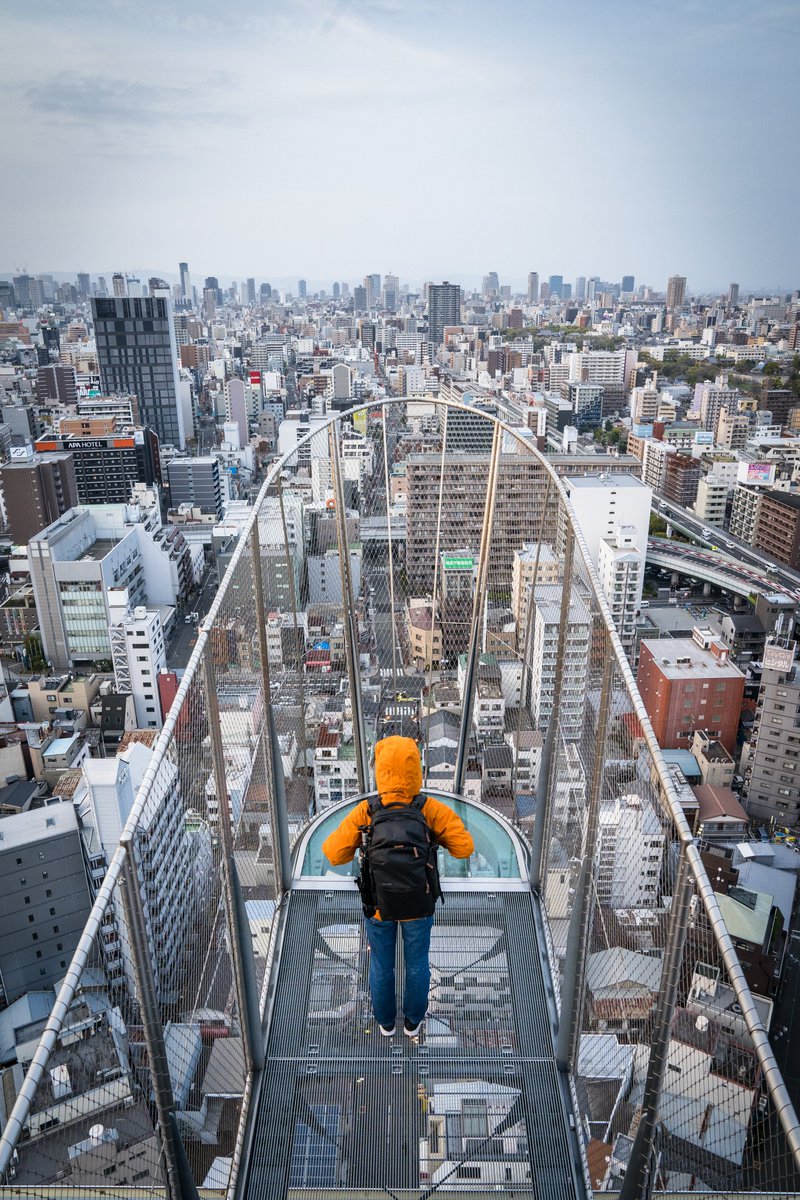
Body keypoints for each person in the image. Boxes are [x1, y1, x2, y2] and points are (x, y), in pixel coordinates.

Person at [322, 735, 474, 1037]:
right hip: (419, 902)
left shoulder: (368, 810)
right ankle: (413, 1021)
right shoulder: (429, 809)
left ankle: (387, 1022)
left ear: (380, 770)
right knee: (417, 964)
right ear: (416, 769)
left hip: (379, 905)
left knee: (381, 965)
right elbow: (465, 848)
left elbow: (333, 854)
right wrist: (433, 841)